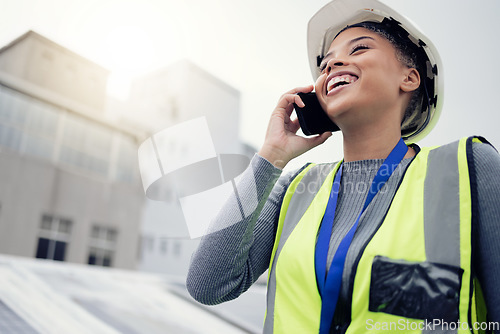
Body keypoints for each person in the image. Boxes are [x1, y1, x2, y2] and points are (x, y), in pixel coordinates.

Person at [186, 0, 500, 333]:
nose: (332, 63)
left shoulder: (467, 171)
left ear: (409, 78)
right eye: (324, 64)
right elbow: (208, 284)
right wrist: (271, 156)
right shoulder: (294, 189)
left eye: (360, 48)